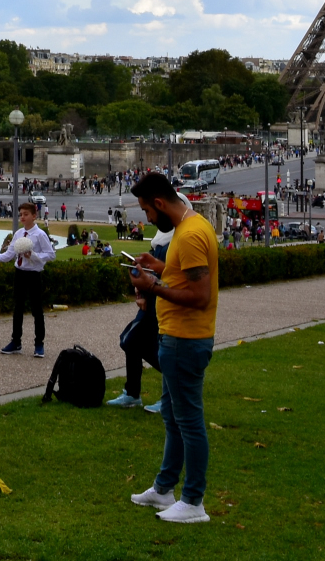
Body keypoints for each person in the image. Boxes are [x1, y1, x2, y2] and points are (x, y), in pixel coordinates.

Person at [126, 171, 218, 526]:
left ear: (160, 204)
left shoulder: (191, 234)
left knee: (189, 421)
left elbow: (199, 295)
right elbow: (184, 273)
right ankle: (165, 488)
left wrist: (153, 287)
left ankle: (193, 499)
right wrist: (159, 267)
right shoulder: (189, 227)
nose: (147, 218)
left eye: (147, 211)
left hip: (185, 339)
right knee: (173, 417)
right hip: (175, 337)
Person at [109, 221, 175, 411]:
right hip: (153, 299)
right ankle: (132, 393)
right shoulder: (161, 241)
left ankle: (171, 389)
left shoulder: (174, 243)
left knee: (132, 341)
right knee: (132, 341)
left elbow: (169, 276)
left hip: (160, 301)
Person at [0, 202, 56, 357]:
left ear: (34, 216)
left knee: (36, 310)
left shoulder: (40, 235)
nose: (23, 217)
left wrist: (34, 256)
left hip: (33, 274)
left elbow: (51, 254)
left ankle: (39, 344)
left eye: (26, 214)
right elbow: (8, 255)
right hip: (19, 273)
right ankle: (16, 341)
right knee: (17, 308)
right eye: (21, 214)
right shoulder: (18, 234)